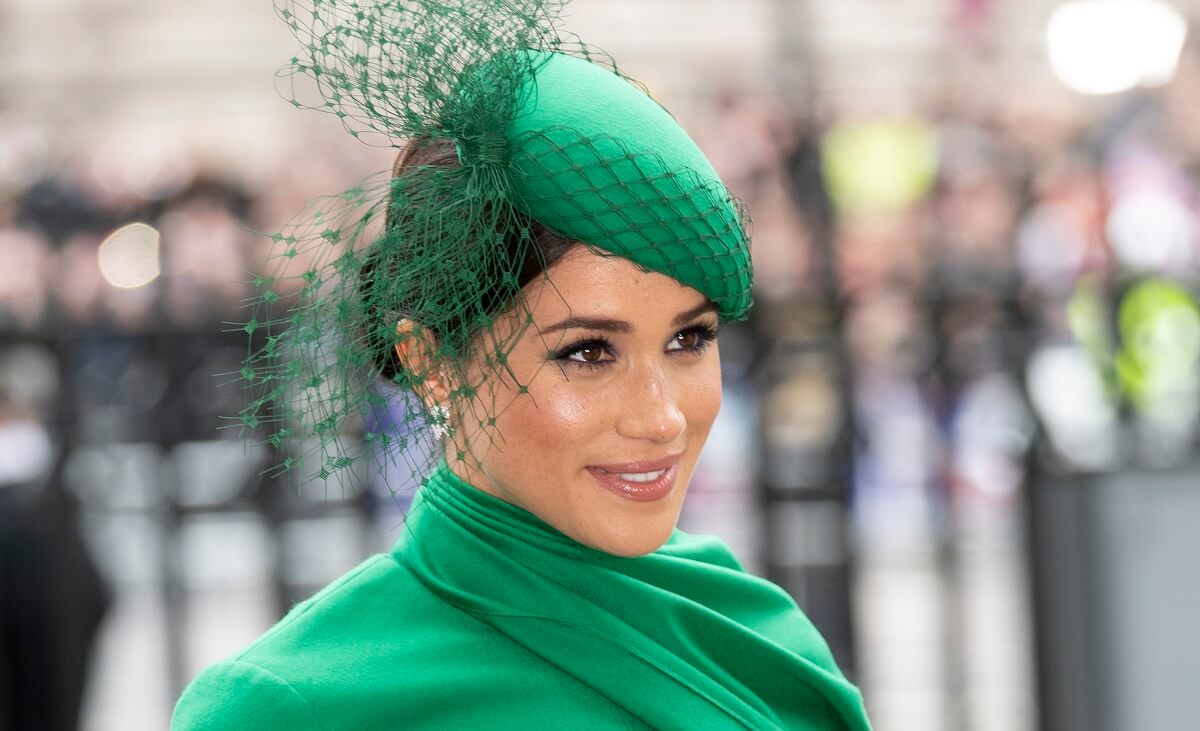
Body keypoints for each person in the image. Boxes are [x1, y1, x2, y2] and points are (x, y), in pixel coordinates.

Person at [172, 1, 872, 728]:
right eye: (588, 352)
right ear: (430, 361)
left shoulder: (753, 630)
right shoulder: (292, 706)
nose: (661, 414)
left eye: (688, 339)